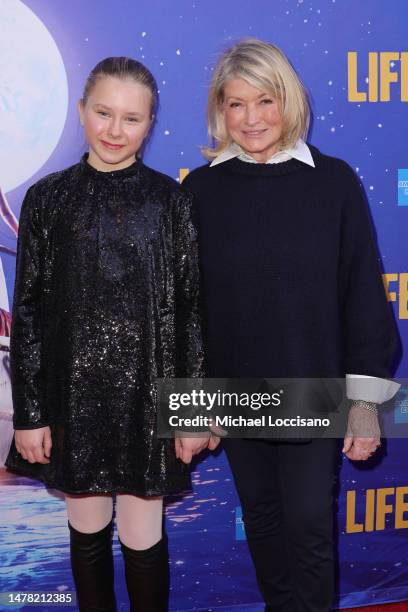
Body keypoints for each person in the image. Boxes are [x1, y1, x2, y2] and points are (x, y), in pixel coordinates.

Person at [183, 39, 400, 612]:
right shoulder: (201, 190)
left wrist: (365, 406)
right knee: (263, 523)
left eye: (264, 101)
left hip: (314, 387)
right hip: (234, 393)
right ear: (219, 110)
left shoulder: (333, 182)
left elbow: (363, 298)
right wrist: (193, 407)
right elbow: (185, 310)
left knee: (308, 526)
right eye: (235, 104)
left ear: (289, 101)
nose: (251, 119)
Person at [6, 57, 212, 612]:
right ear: (81, 112)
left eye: (131, 118)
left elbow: (192, 312)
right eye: (103, 113)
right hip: (71, 400)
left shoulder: (171, 201)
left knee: (144, 536)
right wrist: (29, 412)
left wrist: (193, 412)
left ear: (150, 124)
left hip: (147, 403)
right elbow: (26, 311)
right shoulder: (47, 199)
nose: (115, 130)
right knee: (87, 529)